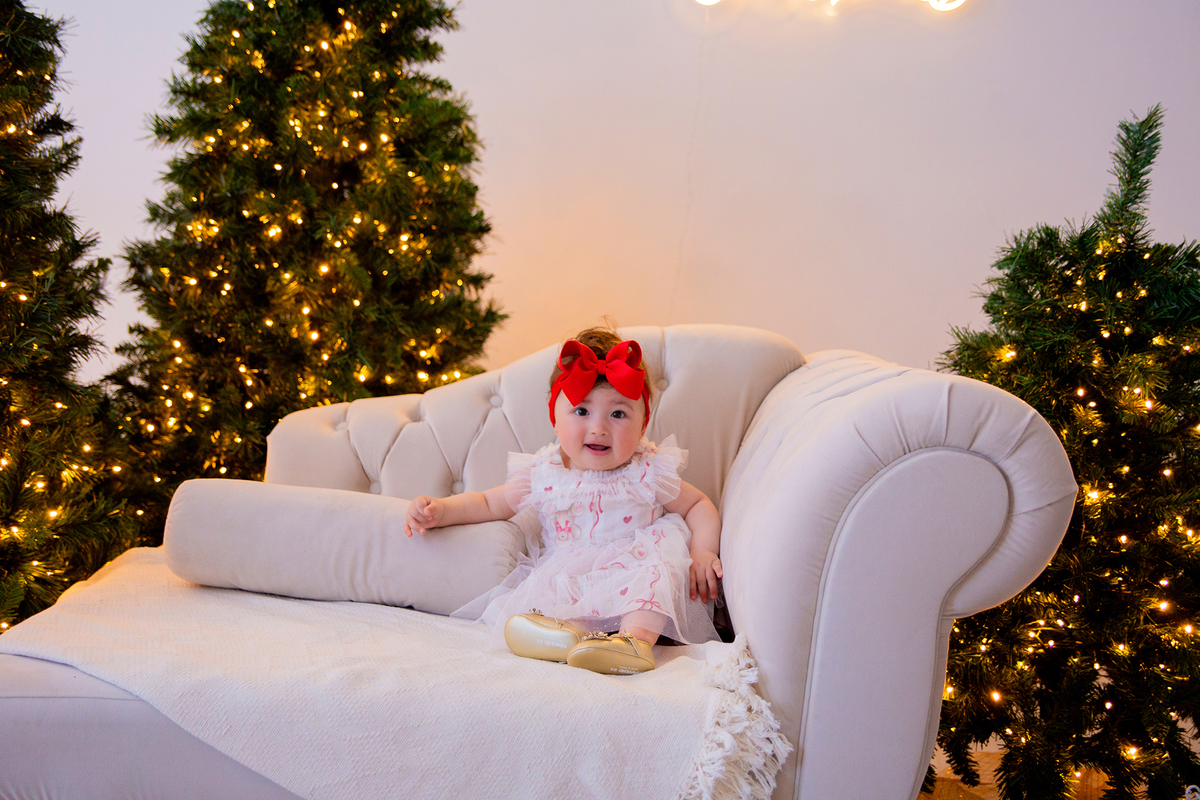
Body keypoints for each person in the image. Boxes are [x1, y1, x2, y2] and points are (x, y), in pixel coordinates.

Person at [404, 326, 722, 675]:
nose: (599, 428)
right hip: (573, 568)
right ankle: (565, 637)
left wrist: (703, 552)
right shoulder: (543, 473)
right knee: (555, 594)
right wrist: (442, 510)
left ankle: (634, 643)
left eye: (618, 414)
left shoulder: (647, 470)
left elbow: (696, 506)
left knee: (652, 575)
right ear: (556, 418)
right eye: (582, 412)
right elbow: (487, 503)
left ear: (643, 423)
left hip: (636, 559)